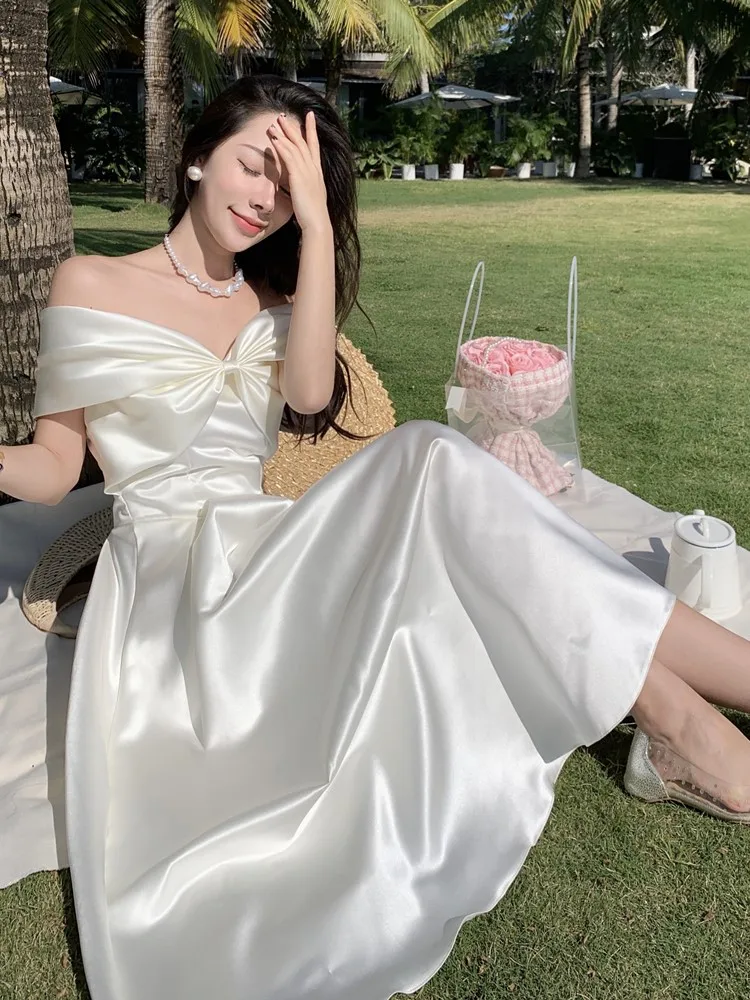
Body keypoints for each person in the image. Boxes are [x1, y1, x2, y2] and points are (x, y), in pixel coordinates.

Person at [0, 74, 748, 1000]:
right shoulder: (91, 281)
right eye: (252, 164)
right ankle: (688, 726)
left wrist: (316, 231)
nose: (262, 196)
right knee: (436, 467)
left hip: (270, 543)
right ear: (196, 155)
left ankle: (689, 722)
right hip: (170, 577)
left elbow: (311, 394)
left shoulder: (270, 307)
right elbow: (49, 464)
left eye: (289, 183)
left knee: (445, 485)